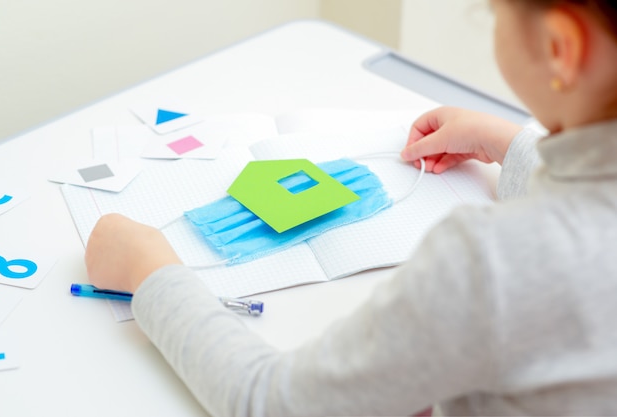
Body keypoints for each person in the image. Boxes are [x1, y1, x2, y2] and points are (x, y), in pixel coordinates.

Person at [84, 0, 617, 415]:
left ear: (559, 47)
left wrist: (150, 273)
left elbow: (267, 401)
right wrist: (511, 146)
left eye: (496, 13)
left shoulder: (489, 264)